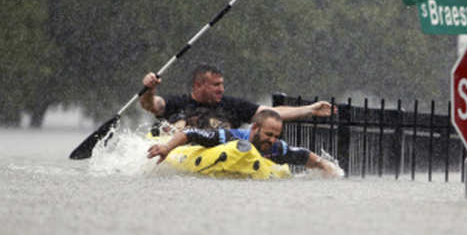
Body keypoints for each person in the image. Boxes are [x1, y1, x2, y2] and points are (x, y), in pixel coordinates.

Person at [147, 109, 342, 177]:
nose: (272, 140)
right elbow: (191, 133)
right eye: (268, 134)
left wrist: (325, 166)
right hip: (201, 156)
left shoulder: (276, 147)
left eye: (276, 135)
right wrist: (167, 148)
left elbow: (302, 155)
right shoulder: (228, 136)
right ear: (255, 129)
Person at [140, 64, 335, 130]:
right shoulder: (177, 102)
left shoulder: (233, 105)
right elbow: (151, 105)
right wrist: (149, 89)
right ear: (198, 85)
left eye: (222, 84)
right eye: (216, 85)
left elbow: (271, 113)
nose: (221, 89)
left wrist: (310, 109)